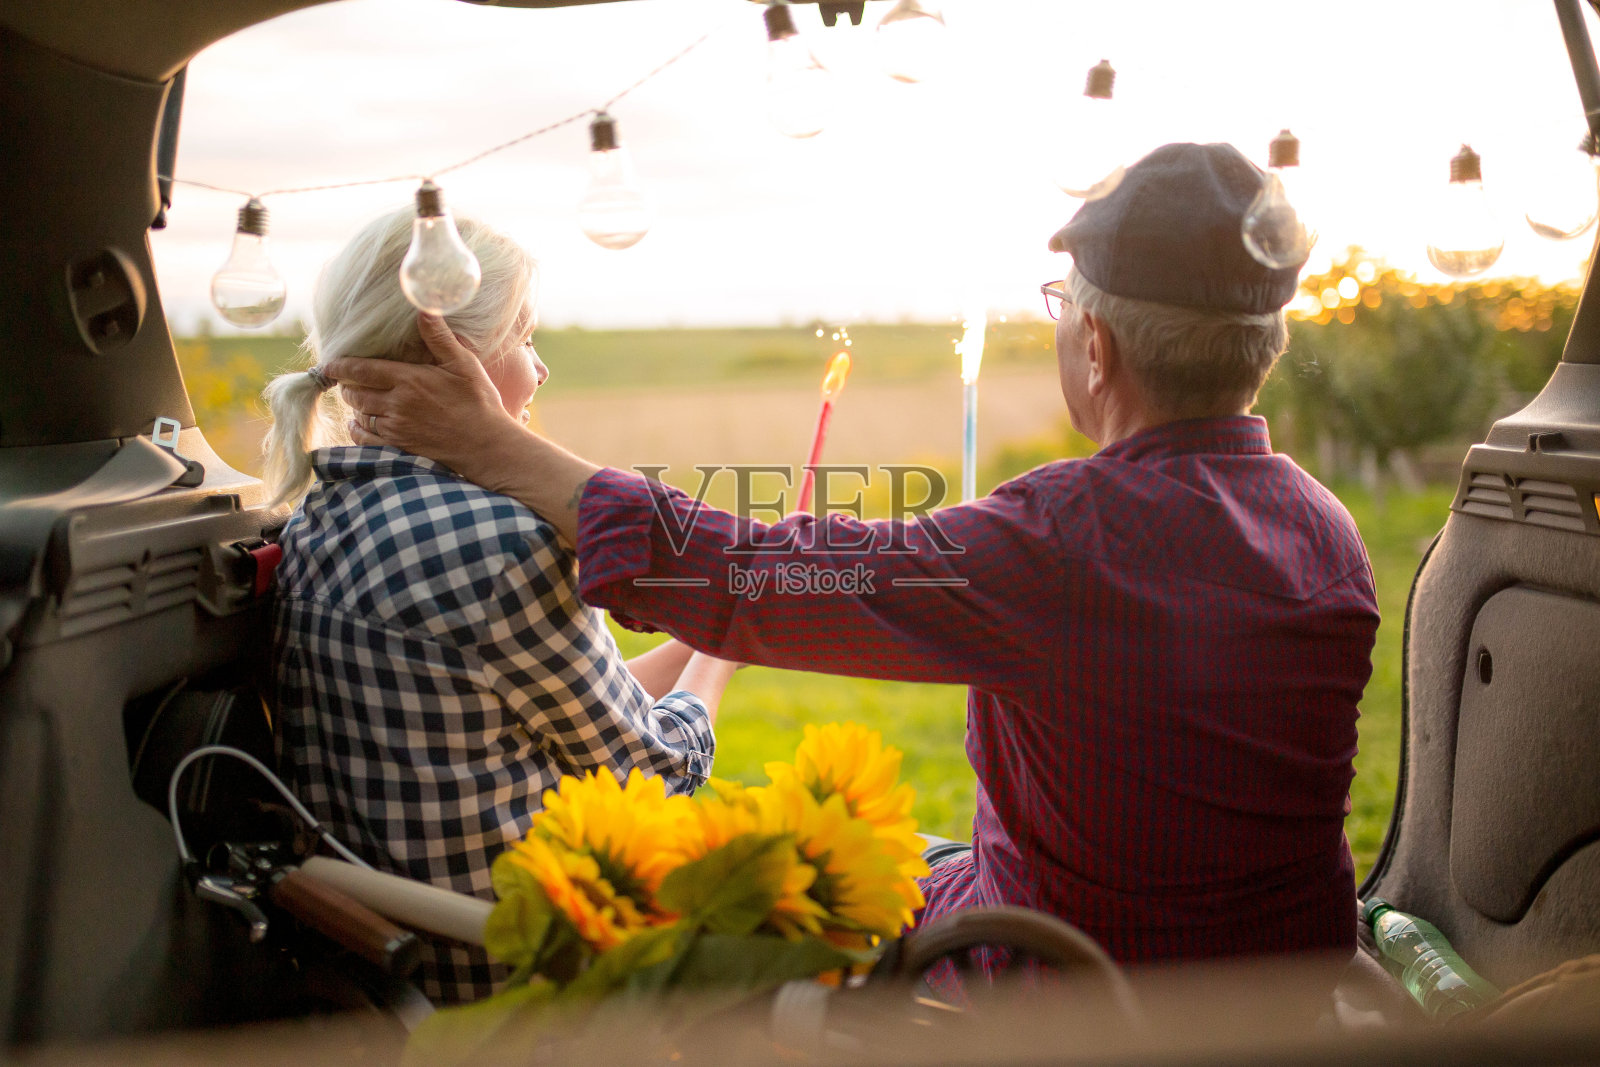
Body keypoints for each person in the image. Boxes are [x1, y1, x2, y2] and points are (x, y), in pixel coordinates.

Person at [326, 143, 1380, 971]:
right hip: (1277, 976)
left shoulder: (1061, 538)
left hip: (1064, 989)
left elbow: (757, 580)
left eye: (1065, 312)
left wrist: (500, 447)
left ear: (1095, 349)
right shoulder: (1326, 530)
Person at [261, 207, 737, 1004]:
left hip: (381, 978)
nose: (541, 368)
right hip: (528, 983)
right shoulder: (505, 544)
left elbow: (563, 701)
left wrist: (703, 637)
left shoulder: (317, 519)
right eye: (523, 336)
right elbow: (660, 771)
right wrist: (724, 650)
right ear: (452, 357)